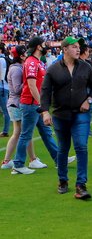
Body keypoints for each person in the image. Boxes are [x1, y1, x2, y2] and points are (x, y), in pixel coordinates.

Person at [40, 36, 92, 199]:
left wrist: (89, 100)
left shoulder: (86, 67)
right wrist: (45, 111)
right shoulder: (53, 69)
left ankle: (81, 184)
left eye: (78, 47)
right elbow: (45, 91)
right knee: (63, 148)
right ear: (64, 49)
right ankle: (62, 180)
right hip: (60, 114)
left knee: (81, 146)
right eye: (74, 47)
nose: (78, 49)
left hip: (81, 113)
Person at [11, 37, 59, 175]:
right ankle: (18, 164)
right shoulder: (31, 62)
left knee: (46, 132)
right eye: (44, 44)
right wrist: (42, 106)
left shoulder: (36, 62)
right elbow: (32, 86)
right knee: (25, 134)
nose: (46, 46)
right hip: (31, 104)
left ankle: (59, 158)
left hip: (34, 104)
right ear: (38, 47)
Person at [1, 46, 38, 169]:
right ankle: (31, 159)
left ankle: (8, 161)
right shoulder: (17, 70)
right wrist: (29, 81)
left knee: (21, 133)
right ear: (21, 56)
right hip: (16, 103)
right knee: (23, 133)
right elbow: (17, 89)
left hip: (14, 103)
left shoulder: (16, 68)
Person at [0, 43, 11, 137]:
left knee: (5, 110)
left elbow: (1, 75)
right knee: (5, 110)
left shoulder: (1, 60)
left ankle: (5, 131)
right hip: (4, 87)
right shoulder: (4, 59)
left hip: (2, 87)